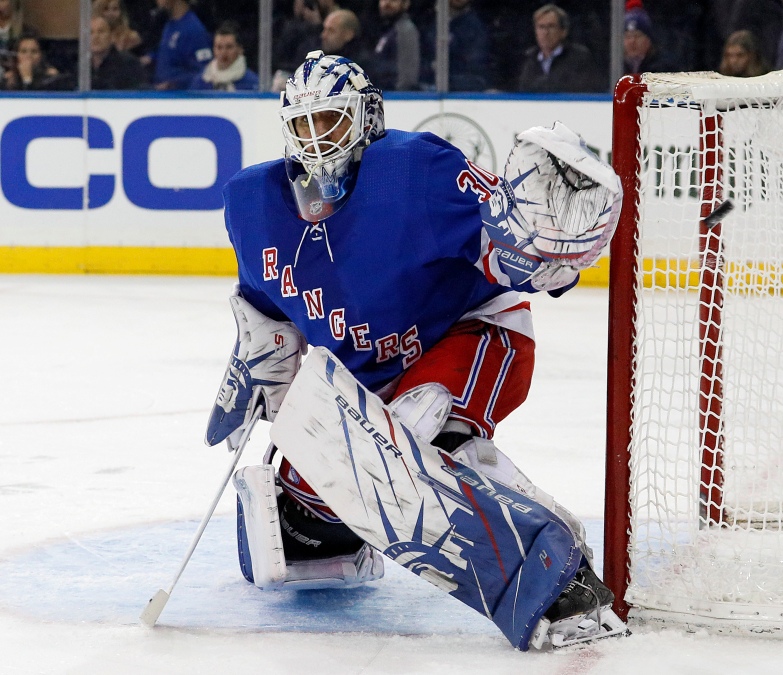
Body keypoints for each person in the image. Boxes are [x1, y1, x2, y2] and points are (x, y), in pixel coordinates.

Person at [205, 51, 628, 651]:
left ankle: (556, 573)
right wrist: (260, 365)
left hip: (470, 332)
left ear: (366, 118)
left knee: (420, 431)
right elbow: (267, 310)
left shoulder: (412, 169)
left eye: (329, 122)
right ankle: (355, 537)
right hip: (364, 380)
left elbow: (504, 242)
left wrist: (539, 259)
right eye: (301, 126)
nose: (315, 140)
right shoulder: (252, 203)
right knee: (286, 531)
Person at [517, 4, 602, 93]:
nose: (545, 32)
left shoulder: (579, 58)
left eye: (551, 26)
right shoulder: (528, 59)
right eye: (541, 27)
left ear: (563, 31)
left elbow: (581, 90)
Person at [420, 0, 491, 91]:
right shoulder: (429, 22)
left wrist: (449, 81)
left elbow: (476, 74)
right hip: (429, 90)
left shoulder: (476, 28)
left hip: (461, 93)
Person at [152, 0, 212, 90]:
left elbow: (205, 73)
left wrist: (175, 83)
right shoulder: (170, 25)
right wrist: (150, 57)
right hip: (160, 95)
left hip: (180, 98)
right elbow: (171, 54)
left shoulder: (194, 30)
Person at [365, 0, 419, 90]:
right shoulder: (387, 29)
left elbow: (406, 74)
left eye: (393, 0)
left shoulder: (405, 30)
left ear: (405, 4)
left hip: (394, 96)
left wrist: (399, 96)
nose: (386, 3)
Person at [190, 21, 258, 91]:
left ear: (240, 50)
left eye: (229, 47)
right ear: (213, 50)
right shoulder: (201, 81)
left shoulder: (252, 83)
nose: (223, 52)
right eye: (219, 47)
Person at [90, 15, 147, 89]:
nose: (95, 37)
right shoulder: (78, 65)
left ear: (111, 36)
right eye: (91, 32)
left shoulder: (128, 63)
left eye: (101, 32)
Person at [2, 33, 72, 90]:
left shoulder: (51, 78)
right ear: (17, 55)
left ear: (41, 55)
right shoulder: (9, 80)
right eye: (23, 51)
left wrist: (27, 79)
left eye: (34, 51)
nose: (28, 56)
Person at [622, 4, 673, 75]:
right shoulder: (616, 66)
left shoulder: (662, 67)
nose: (632, 41)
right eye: (628, 36)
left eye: (637, 36)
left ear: (648, 40)